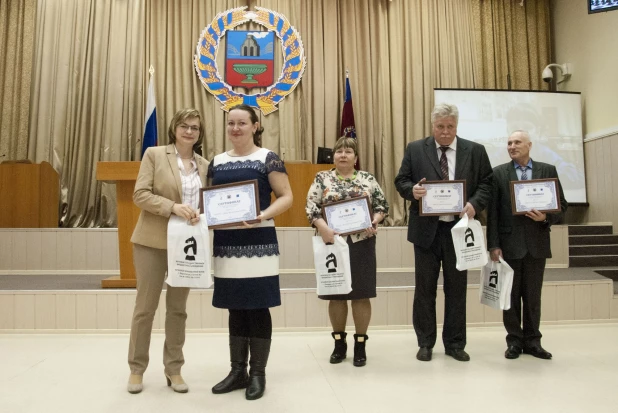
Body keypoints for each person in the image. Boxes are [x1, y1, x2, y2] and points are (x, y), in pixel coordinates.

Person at [394, 103, 493, 362]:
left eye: (450, 126)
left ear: (456, 126)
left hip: (459, 231)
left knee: (457, 289)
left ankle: (455, 344)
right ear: (432, 126)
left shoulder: (475, 150)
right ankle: (425, 342)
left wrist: (474, 204)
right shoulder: (416, 149)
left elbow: (486, 183)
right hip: (426, 231)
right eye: (440, 127)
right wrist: (412, 191)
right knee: (424, 290)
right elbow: (401, 180)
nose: (445, 132)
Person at [209, 104, 292, 401]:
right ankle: (236, 372)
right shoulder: (216, 161)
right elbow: (211, 201)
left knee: (257, 306)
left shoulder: (267, 159)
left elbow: (286, 197)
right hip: (226, 245)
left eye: (242, 123)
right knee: (235, 307)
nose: (235, 128)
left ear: (255, 126)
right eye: (231, 123)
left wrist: (262, 215)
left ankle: (258, 373)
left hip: (258, 241)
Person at [127, 108, 209, 394]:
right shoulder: (154, 154)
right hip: (152, 241)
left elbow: (206, 202)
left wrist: (201, 214)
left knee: (177, 311)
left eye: (195, 128)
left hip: (187, 246)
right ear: (175, 128)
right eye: (184, 126)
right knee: (145, 309)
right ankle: (136, 369)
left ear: (200, 133)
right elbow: (140, 194)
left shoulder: (205, 165)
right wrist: (172, 207)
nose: (189, 132)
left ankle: (174, 369)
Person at [305, 136, 389, 367]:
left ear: (356, 157)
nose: (343, 155)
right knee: (337, 294)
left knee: (361, 294)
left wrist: (375, 219)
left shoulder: (367, 179)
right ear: (334, 156)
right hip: (331, 243)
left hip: (361, 242)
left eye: (348, 151)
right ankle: (339, 343)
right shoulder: (322, 178)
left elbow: (383, 206)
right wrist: (322, 227)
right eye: (339, 151)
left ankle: (360, 344)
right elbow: (311, 206)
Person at [487, 130, 567, 360]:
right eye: (509, 143)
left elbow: (562, 205)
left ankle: (533, 342)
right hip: (508, 244)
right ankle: (514, 342)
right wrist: (493, 245)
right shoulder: (498, 173)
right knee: (510, 298)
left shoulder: (547, 170)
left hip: (536, 244)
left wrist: (546, 218)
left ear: (529, 145)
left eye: (517, 142)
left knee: (533, 297)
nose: (512, 146)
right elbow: (492, 213)